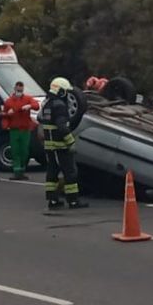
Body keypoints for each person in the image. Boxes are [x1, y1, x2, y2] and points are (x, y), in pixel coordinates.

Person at [38, 77, 88, 210]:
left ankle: (53, 200)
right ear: (60, 91)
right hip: (60, 146)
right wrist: (71, 141)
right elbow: (61, 126)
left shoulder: (47, 103)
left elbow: (40, 118)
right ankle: (73, 201)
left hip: (49, 145)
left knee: (52, 172)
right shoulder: (59, 105)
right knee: (70, 173)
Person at [3, 80, 39, 180]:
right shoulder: (9, 101)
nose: (19, 91)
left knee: (24, 151)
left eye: (21, 90)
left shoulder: (28, 99)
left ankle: (22, 171)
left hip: (25, 129)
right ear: (15, 89)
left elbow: (36, 105)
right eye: (18, 89)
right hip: (14, 130)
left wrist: (30, 106)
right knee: (15, 151)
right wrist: (7, 118)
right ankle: (16, 172)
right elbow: (4, 115)